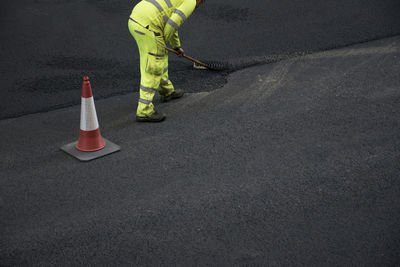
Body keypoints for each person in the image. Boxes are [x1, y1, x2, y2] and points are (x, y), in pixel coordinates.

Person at [128, 0, 205, 122]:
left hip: (136, 19)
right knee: (154, 66)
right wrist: (163, 41)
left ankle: (166, 91)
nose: (198, 6)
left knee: (159, 56)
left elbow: (171, 23)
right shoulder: (191, 1)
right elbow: (173, 24)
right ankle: (144, 110)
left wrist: (176, 46)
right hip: (149, 25)